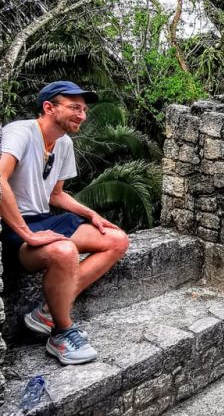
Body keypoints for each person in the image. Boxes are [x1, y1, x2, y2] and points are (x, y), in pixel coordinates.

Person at [0, 80, 129, 365]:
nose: (82, 115)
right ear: (49, 107)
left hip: (44, 218)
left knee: (116, 239)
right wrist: (27, 234)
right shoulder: (19, 132)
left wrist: (90, 214)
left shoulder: (64, 143)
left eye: (83, 110)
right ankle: (61, 332)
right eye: (74, 107)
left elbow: (56, 194)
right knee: (64, 251)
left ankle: (46, 311)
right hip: (12, 226)